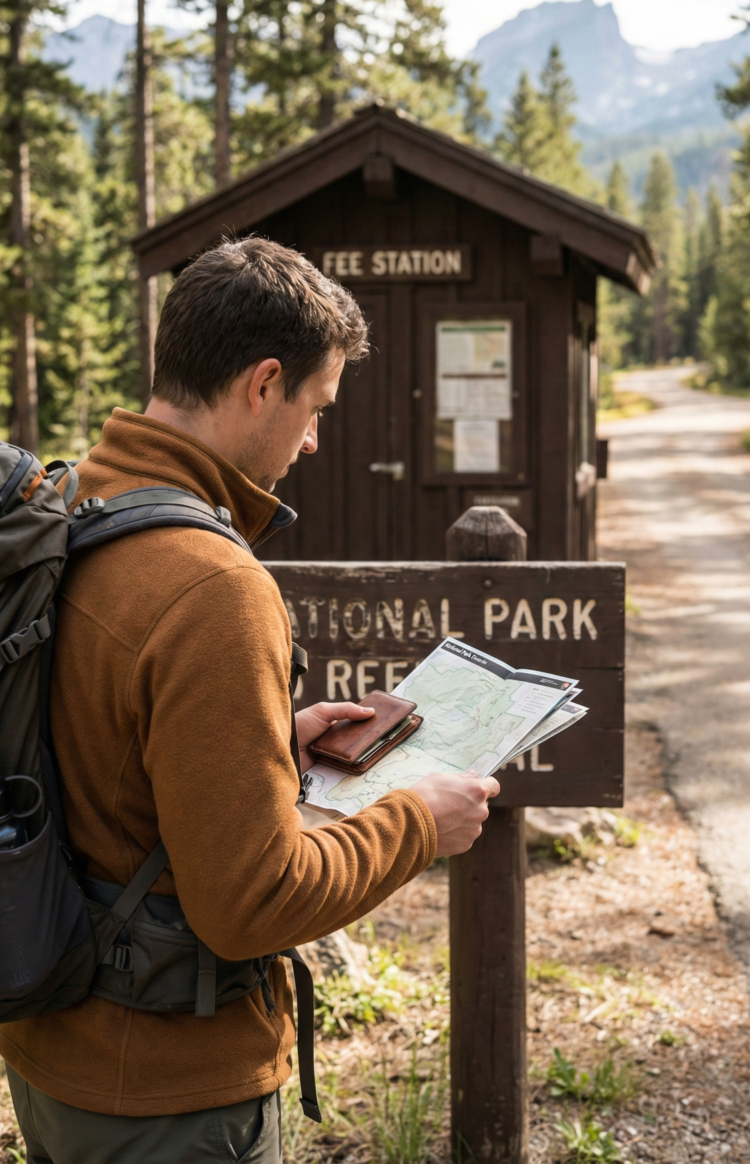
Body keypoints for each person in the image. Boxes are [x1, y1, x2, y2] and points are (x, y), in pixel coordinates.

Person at [0, 238, 499, 1164]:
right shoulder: (213, 588)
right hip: (171, 1096)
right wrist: (416, 825)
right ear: (264, 382)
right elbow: (252, 902)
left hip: (53, 1051)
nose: (314, 440)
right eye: (316, 408)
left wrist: (270, 734)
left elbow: (93, 732)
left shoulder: (69, 505)